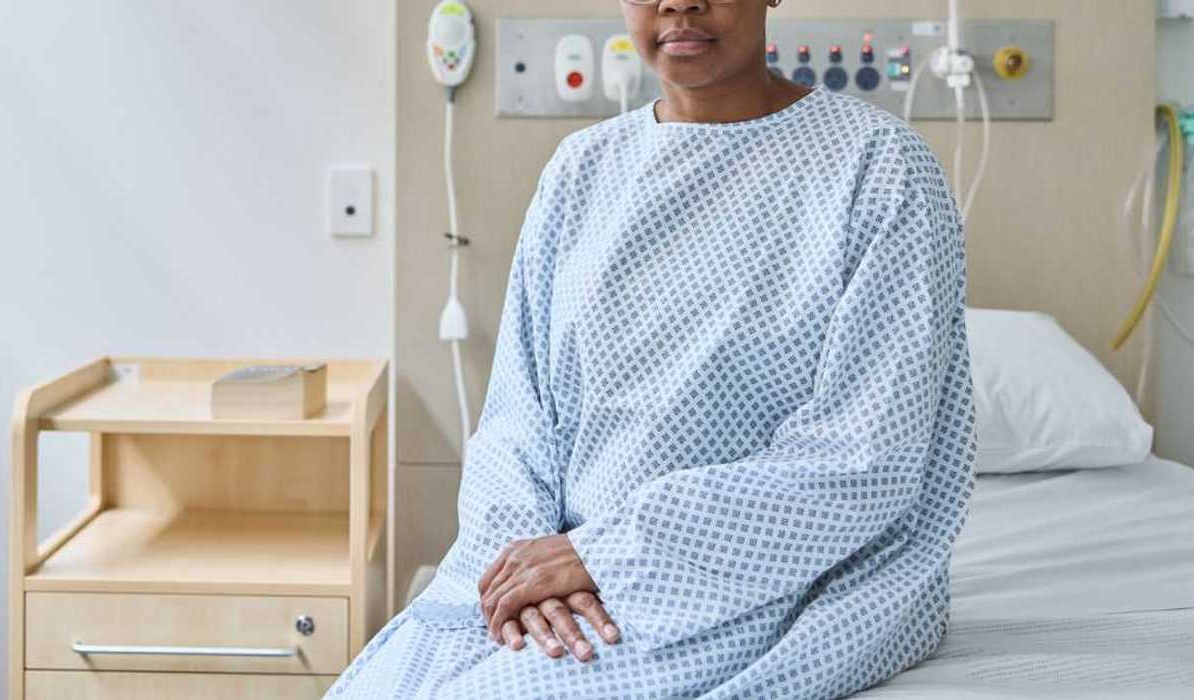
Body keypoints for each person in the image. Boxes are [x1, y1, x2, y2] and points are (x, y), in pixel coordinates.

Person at [327, 0, 976, 697]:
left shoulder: (878, 169)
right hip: (556, 565)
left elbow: (863, 458)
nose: (679, 2)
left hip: (757, 570)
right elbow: (519, 413)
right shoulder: (582, 171)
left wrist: (604, 556)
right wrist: (522, 565)